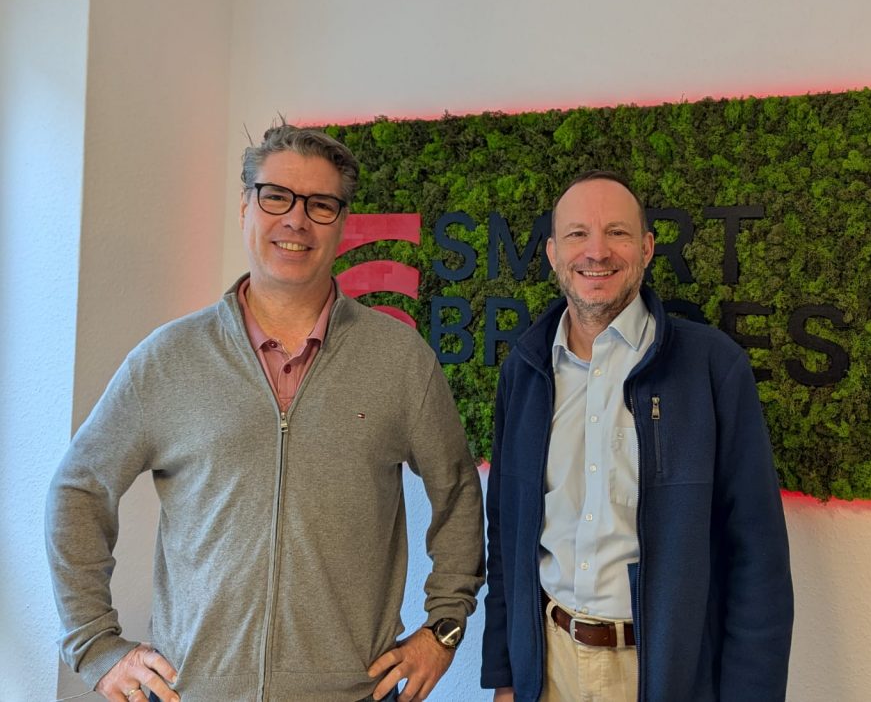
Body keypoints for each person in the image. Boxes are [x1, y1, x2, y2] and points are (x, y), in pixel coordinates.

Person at [46, 124, 484, 702]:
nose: (296, 220)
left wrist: (443, 628)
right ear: (244, 207)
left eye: (320, 204)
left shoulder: (399, 359)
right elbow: (79, 488)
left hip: (352, 695)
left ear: (342, 223)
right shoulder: (167, 359)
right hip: (192, 693)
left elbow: (457, 491)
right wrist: (95, 645)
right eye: (276, 196)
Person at [480, 171, 793, 701]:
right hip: (548, 669)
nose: (596, 252)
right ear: (553, 253)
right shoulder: (525, 371)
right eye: (577, 234)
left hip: (658, 677)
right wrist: (505, 676)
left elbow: (757, 557)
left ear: (646, 249)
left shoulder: (712, 367)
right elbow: (506, 537)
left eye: (617, 233)